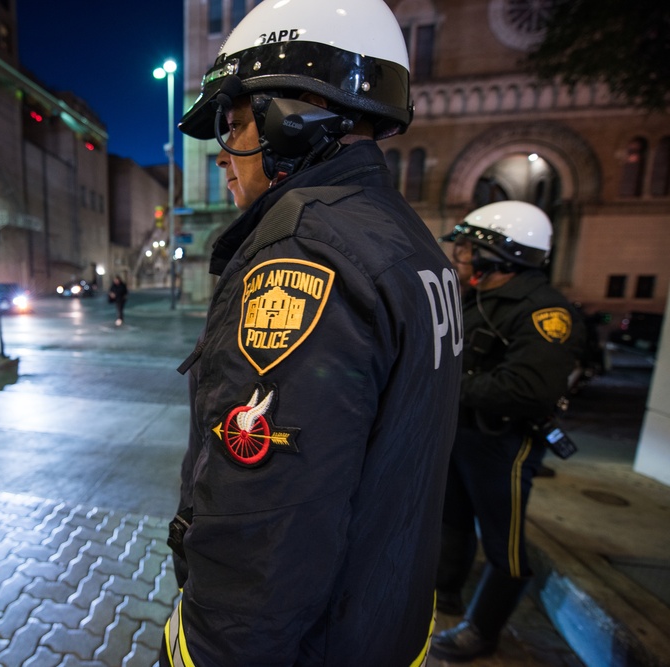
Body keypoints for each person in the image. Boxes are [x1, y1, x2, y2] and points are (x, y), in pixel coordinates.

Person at [161, 1, 464, 664]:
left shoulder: (306, 255)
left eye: (232, 124)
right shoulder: (409, 239)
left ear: (292, 119)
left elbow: (264, 523)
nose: (223, 156)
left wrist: (205, 652)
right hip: (381, 619)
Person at [431, 201, 586, 662]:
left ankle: (482, 630)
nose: (460, 255)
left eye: (468, 247)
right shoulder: (477, 297)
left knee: (505, 541)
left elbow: (529, 389)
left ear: (504, 254)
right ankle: (445, 597)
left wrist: (447, 384)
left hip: (504, 444)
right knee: (451, 522)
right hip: (463, 435)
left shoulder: (544, 311)